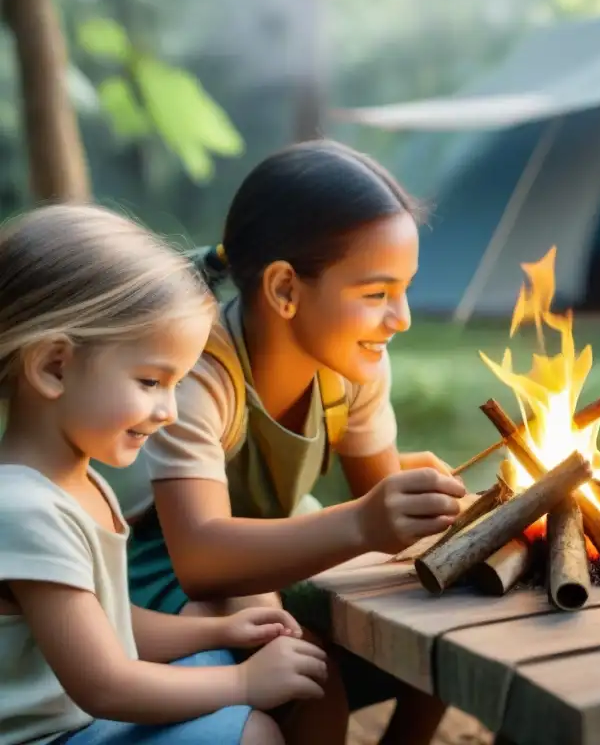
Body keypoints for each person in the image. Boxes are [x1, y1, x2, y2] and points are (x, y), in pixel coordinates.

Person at [125, 140, 466, 745]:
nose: (402, 318)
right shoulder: (200, 369)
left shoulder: (350, 367)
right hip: (166, 570)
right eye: (376, 293)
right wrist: (364, 522)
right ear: (284, 289)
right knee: (307, 675)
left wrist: (426, 504)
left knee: (439, 604)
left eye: (405, 289)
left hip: (277, 542)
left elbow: (381, 500)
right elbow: (201, 559)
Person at [0, 204, 332, 745]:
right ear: (54, 367)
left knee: (212, 657)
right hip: (51, 737)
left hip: (80, 723)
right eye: (152, 381)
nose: (171, 411)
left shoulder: (74, 483)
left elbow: (108, 627)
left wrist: (218, 629)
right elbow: (104, 684)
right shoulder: (25, 508)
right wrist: (244, 681)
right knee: (253, 735)